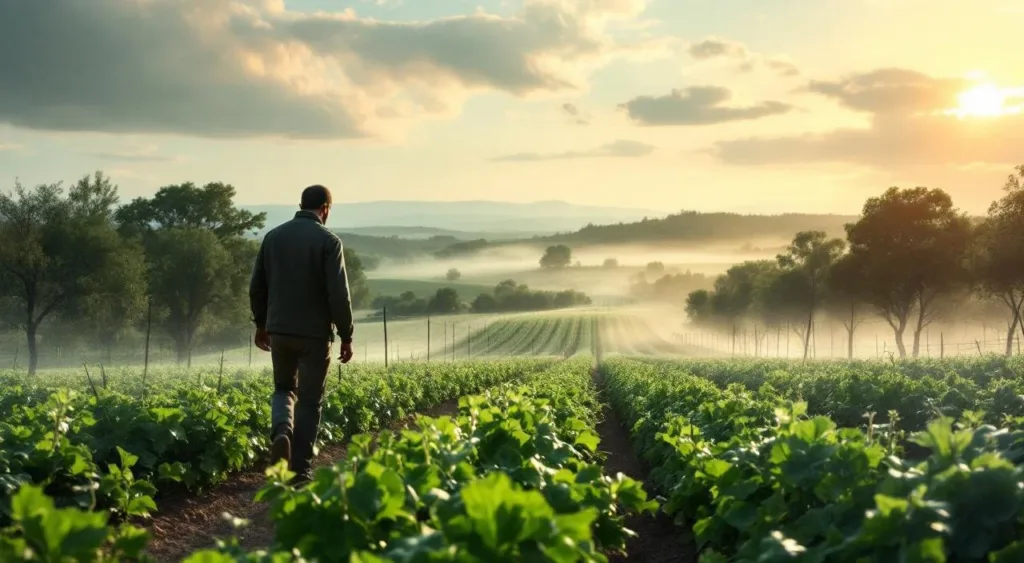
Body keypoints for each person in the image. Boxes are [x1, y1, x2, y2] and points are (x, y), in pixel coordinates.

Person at [248, 184, 355, 484]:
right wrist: (346, 334)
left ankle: (282, 430)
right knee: (309, 401)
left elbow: (257, 286)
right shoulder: (329, 241)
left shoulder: (273, 237)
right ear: (325, 209)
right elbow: (339, 294)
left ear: (300, 205)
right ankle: (299, 470)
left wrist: (261, 324)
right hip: (314, 334)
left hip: (279, 330)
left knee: (283, 389)